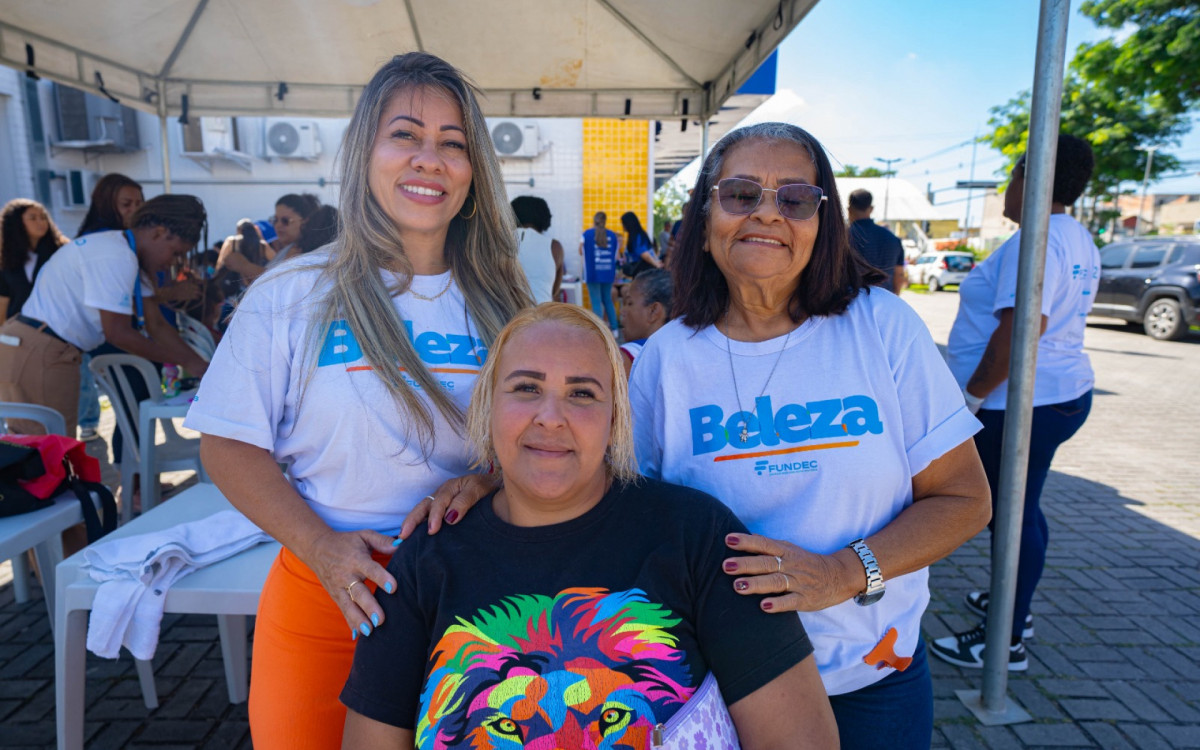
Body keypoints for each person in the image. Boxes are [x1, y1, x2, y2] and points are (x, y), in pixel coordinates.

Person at [185, 52, 532, 749]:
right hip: (325, 591)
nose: (429, 159)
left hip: (478, 594)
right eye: (405, 134)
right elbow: (227, 443)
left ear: (474, 170)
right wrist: (322, 548)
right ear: (364, 151)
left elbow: (545, 440)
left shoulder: (508, 304)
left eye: (453, 143)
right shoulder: (290, 293)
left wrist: (490, 479)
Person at [626, 122, 991, 749]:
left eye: (795, 199)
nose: (767, 213)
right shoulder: (666, 358)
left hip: (873, 680)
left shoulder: (883, 328)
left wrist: (843, 572)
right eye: (741, 194)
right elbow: (631, 515)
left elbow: (964, 499)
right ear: (705, 217)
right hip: (723, 687)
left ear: (823, 225)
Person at [340, 302, 838, 749]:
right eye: (527, 388)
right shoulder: (425, 561)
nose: (551, 417)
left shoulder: (696, 536)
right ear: (488, 407)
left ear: (616, 419)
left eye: (581, 393)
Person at [932, 135, 1100, 672]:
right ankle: (1012, 602)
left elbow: (1021, 329)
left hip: (1019, 403)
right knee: (1022, 508)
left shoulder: (1038, 241)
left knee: (1008, 514)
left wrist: (971, 397)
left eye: (1012, 174)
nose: (1007, 187)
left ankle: (1004, 639)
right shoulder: (1075, 236)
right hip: (1055, 395)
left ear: (1032, 177)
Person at [0, 195, 210, 437]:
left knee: (42, 446)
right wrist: (187, 361)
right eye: (175, 253)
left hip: (31, 343)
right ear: (159, 233)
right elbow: (118, 333)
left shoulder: (127, 254)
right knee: (48, 448)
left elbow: (157, 325)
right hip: (40, 350)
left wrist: (200, 365)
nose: (172, 263)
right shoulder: (117, 256)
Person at [0, 199, 68, 320]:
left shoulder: (62, 252)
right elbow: (3, 301)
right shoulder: (5, 257)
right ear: (16, 223)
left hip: (57, 325)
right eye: (33, 218)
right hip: (19, 326)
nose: (40, 222)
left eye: (43, 217)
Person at [847, 189, 905, 294]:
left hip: (850, 300)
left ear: (849, 209)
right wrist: (894, 298)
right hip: (884, 299)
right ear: (871, 209)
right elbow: (899, 276)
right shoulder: (893, 239)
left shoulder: (842, 237)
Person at [618, 267, 671, 377]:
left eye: (629, 303)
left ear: (653, 311)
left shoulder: (625, 357)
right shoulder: (683, 352)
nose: (622, 311)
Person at [511, 195, 563, 303]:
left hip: (507, 312)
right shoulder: (555, 247)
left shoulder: (499, 242)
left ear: (511, 216)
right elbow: (554, 292)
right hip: (543, 310)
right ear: (545, 217)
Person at [579, 211, 621, 335]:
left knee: (596, 302)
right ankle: (615, 329)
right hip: (608, 273)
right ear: (605, 221)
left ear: (594, 221)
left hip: (592, 273)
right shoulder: (612, 236)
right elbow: (616, 256)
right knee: (608, 300)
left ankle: (600, 331)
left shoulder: (586, 234)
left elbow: (580, 251)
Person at [268, 193, 321, 264]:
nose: (278, 225)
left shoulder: (305, 255)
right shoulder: (289, 249)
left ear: (304, 221)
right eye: (275, 220)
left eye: (285, 221)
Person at [620, 210, 664, 279]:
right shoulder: (641, 234)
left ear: (628, 224)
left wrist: (656, 264)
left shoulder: (636, 237)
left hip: (643, 271)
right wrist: (656, 261)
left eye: (623, 223)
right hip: (646, 270)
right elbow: (650, 251)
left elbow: (644, 254)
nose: (622, 226)